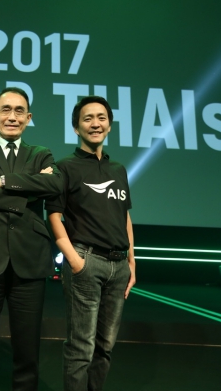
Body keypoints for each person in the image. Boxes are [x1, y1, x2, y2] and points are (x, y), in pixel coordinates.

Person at [0, 87, 63, 390]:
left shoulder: (41, 152)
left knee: (28, 352)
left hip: (29, 259)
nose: (12, 117)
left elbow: (54, 185)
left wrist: (3, 181)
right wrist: (27, 192)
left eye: (20, 111)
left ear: (28, 118)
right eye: (6, 110)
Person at [46, 96, 136, 391]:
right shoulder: (65, 167)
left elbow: (124, 217)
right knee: (81, 348)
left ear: (109, 125)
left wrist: (131, 262)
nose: (95, 124)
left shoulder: (118, 169)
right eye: (87, 118)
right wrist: (74, 259)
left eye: (101, 118)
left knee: (105, 347)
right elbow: (54, 215)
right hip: (86, 261)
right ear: (76, 128)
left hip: (119, 266)